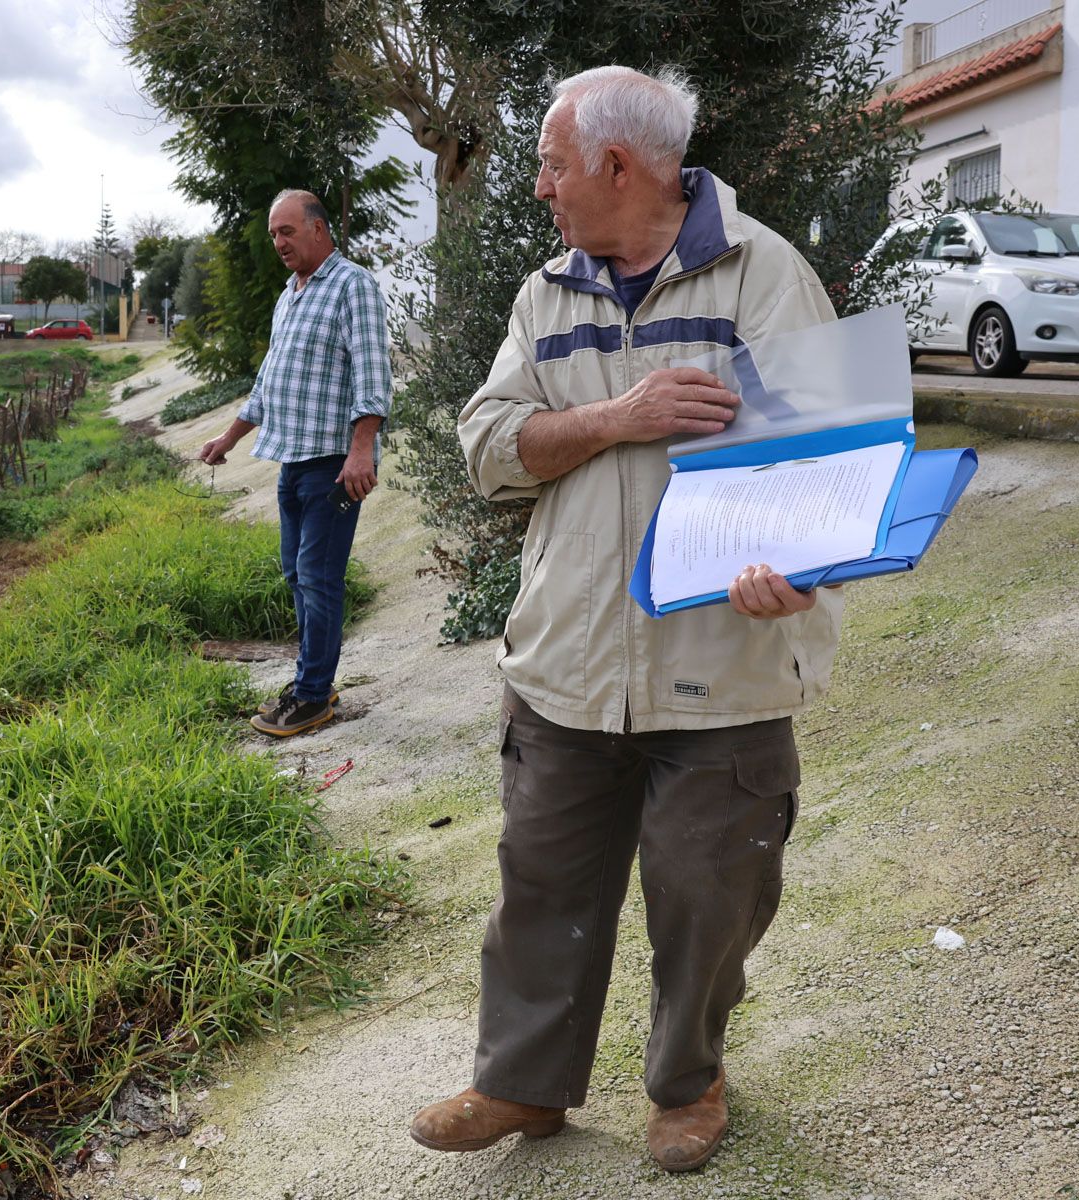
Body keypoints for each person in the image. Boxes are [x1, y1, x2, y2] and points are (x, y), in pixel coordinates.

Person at [414, 66, 842, 1173]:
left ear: (616, 164)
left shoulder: (766, 276)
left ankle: (688, 1083)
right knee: (541, 885)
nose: (544, 187)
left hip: (725, 666)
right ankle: (524, 1085)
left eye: (554, 164)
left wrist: (799, 575)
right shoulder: (544, 295)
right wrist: (618, 416)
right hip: (567, 657)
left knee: (710, 893)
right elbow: (488, 447)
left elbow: (832, 466)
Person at [198, 189, 391, 737]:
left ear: (319, 230)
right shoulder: (291, 294)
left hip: (334, 465)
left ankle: (311, 696)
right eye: (273, 234)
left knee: (317, 578)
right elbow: (269, 382)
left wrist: (361, 450)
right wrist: (228, 437)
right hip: (292, 461)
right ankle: (314, 681)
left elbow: (373, 375)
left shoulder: (353, 286)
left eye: (286, 231)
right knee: (296, 575)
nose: (278, 243)